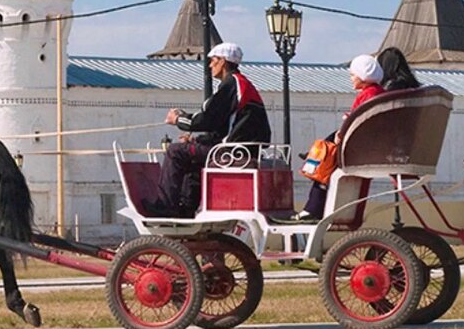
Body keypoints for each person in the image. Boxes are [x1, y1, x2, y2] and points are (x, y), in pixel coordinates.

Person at [147, 42, 272, 218]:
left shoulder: (231, 84)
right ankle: (186, 208)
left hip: (231, 152)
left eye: (213, 60)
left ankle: (165, 206)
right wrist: (196, 140)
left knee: (175, 151)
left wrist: (178, 120)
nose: (210, 65)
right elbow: (222, 127)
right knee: (192, 154)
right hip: (240, 149)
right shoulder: (243, 84)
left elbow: (207, 119)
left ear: (223, 61)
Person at [295, 54, 385, 220]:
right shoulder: (379, 92)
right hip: (369, 143)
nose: (350, 79)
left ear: (363, 76)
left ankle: (312, 207)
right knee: (325, 155)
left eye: (353, 75)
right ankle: (313, 156)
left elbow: (353, 120)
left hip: (356, 145)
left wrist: (340, 135)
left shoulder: (367, 95)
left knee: (324, 164)